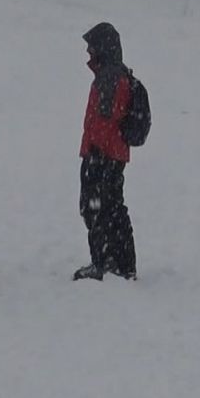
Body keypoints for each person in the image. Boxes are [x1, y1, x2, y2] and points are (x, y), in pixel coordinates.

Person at [75, 22, 138, 280]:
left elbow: (105, 117)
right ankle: (122, 263)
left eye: (92, 46)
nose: (88, 51)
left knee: (97, 207)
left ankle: (104, 262)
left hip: (102, 153)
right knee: (112, 206)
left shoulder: (109, 78)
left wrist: (95, 152)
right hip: (112, 153)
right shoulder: (118, 74)